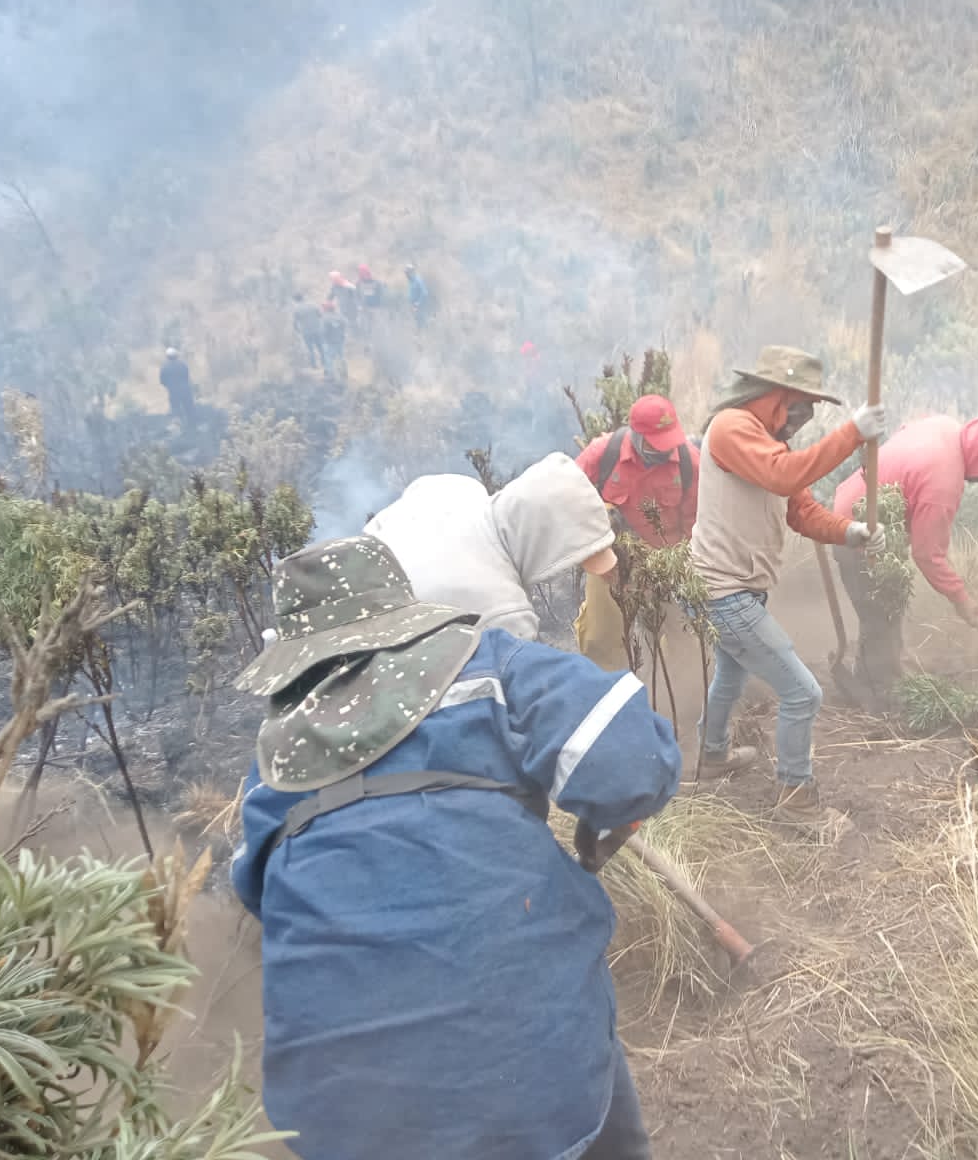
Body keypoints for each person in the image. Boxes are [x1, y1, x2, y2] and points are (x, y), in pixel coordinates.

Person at [230, 534, 680, 1160]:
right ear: (403, 613)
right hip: (529, 1084)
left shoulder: (273, 761)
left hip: (337, 1117)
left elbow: (259, 897)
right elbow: (635, 762)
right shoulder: (489, 664)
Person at [688, 345, 886, 818]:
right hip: (723, 591)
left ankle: (712, 756)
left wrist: (851, 533)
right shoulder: (733, 428)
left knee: (730, 678)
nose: (806, 416)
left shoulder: (767, 440)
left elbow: (800, 508)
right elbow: (783, 477)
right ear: (777, 395)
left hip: (737, 589)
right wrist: (853, 433)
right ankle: (797, 799)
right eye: (803, 405)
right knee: (803, 692)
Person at [831, 415, 978, 692]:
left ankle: (878, 673)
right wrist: (961, 598)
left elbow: (903, 431)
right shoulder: (943, 482)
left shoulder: (944, 426)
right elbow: (927, 554)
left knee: (888, 612)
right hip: (856, 530)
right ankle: (879, 694)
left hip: (852, 507)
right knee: (879, 617)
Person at [365, 451, 618, 641]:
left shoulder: (458, 488)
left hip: (354, 577)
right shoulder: (504, 613)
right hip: (379, 649)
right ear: (542, 543)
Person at [573, 394, 701, 672]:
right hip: (609, 558)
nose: (666, 451)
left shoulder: (690, 462)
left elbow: (697, 523)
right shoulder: (603, 454)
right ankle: (606, 692)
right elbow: (569, 502)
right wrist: (596, 550)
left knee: (684, 637)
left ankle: (681, 698)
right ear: (637, 435)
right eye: (657, 445)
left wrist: (684, 567)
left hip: (665, 562)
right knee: (599, 638)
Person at [158, 346, 195, 424]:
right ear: (176, 355)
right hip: (185, 389)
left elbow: (162, 381)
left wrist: (169, 386)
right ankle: (192, 424)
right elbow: (187, 376)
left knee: (176, 408)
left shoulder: (164, 367)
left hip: (173, 391)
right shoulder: (182, 364)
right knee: (189, 408)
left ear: (167, 357)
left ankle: (180, 425)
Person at [291, 293, 325, 369]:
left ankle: (314, 365)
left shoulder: (296, 309)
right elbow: (321, 315)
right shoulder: (313, 305)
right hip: (317, 329)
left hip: (306, 331)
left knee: (310, 349)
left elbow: (294, 323)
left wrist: (297, 331)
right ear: (303, 297)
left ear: (295, 300)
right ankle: (324, 362)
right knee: (321, 347)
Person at [319, 301, 346, 375]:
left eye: (323, 308)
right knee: (341, 356)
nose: (322, 309)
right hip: (340, 339)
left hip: (329, 341)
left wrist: (323, 339)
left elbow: (323, 331)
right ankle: (344, 372)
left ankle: (330, 375)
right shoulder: (340, 316)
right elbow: (344, 326)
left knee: (329, 358)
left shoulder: (325, 318)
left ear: (326, 309)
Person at [404, 262, 430, 328]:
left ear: (411, 272)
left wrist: (418, 303)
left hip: (419, 307)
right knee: (415, 324)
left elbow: (425, 293)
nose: (406, 275)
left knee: (421, 324)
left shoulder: (418, 281)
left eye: (407, 273)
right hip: (413, 306)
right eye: (406, 273)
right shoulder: (411, 282)